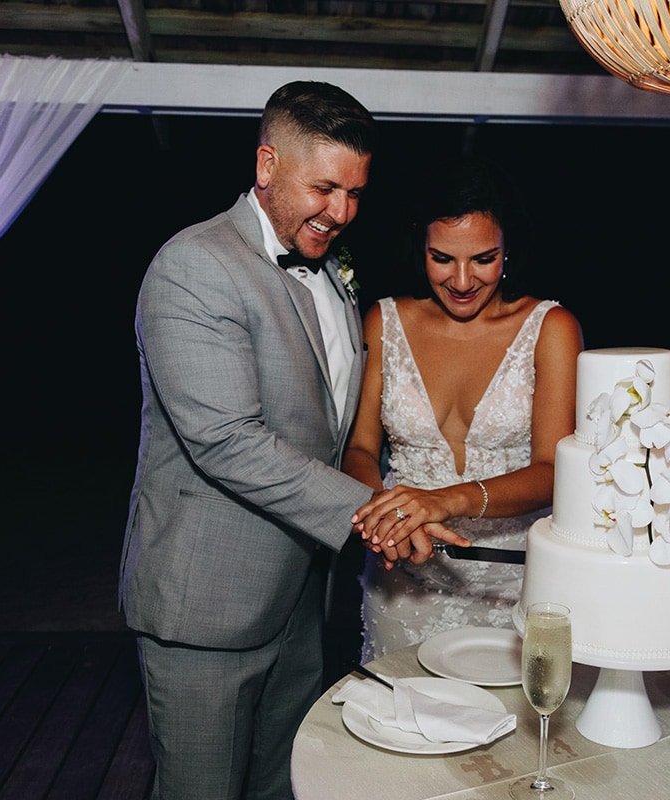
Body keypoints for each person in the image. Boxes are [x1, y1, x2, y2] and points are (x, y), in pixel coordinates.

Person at [119, 81, 438, 800]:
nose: (342, 212)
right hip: (209, 606)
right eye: (324, 188)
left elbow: (327, 426)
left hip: (298, 595)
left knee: (286, 784)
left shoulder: (332, 269)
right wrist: (372, 515)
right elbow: (227, 441)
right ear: (266, 166)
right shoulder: (195, 265)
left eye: (355, 192)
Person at [343, 156, 584, 661]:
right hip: (402, 575)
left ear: (508, 249)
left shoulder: (551, 328)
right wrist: (386, 519)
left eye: (482, 258)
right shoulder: (383, 320)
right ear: (420, 248)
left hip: (513, 577)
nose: (462, 280)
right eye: (442, 258)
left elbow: (553, 471)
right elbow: (360, 447)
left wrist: (446, 501)